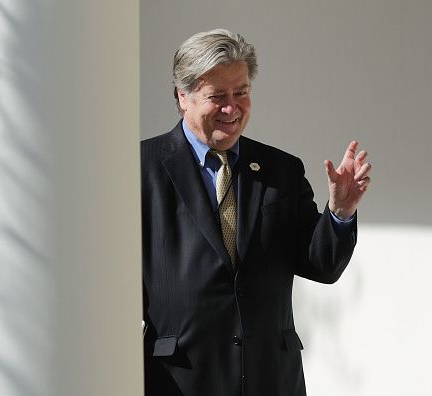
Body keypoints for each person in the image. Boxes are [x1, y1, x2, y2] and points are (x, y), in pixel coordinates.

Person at [140, 29, 371, 396]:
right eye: (217, 96)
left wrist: (339, 213)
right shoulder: (140, 169)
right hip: (179, 380)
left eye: (241, 93)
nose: (232, 108)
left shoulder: (281, 170)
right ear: (182, 97)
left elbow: (321, 264)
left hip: (271, 379)